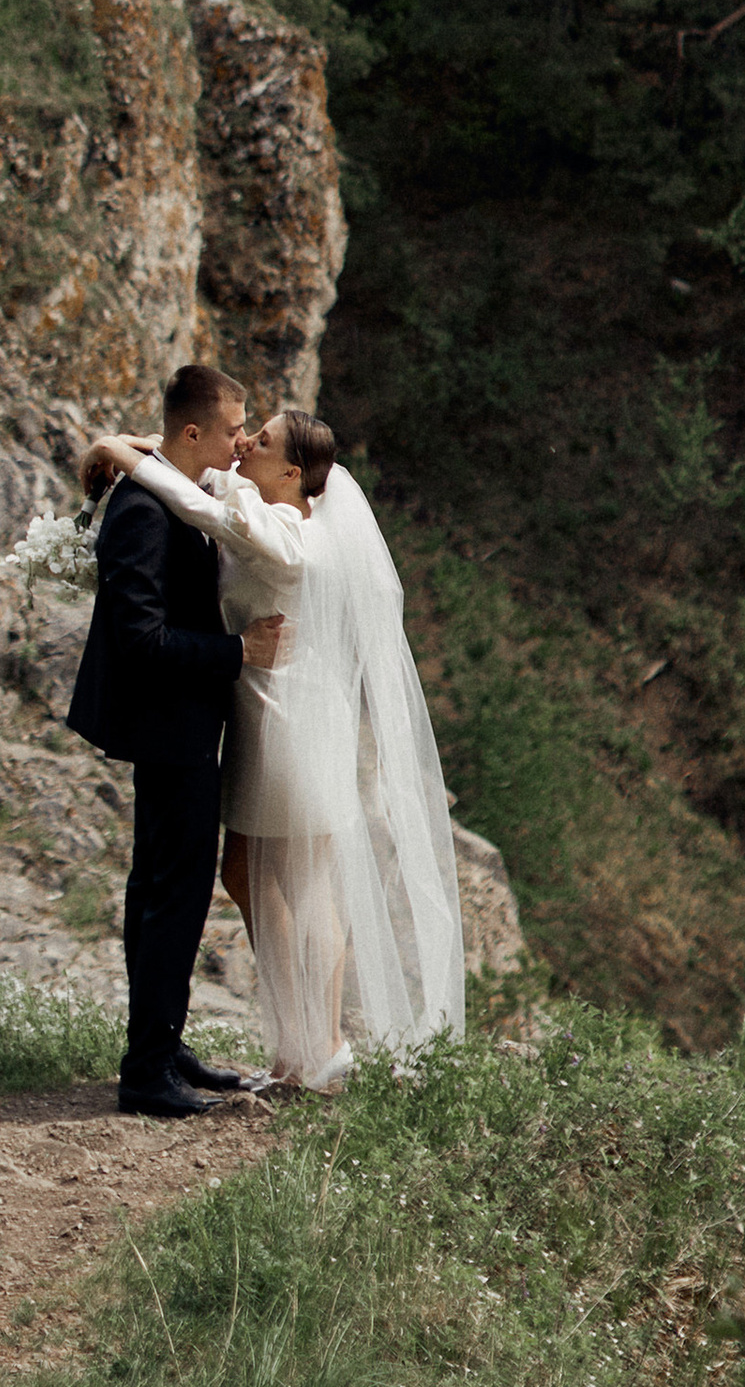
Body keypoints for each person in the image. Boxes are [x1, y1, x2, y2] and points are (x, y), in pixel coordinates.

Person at [80, 403, 466, 1085]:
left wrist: (117, 446)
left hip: (284, 722)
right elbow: (200, 475)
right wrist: (152, 445)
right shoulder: (279, 507)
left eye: (260, 441)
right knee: (291, 878)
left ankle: (311, 1044)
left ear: (290, 471)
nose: (245, 445)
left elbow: (186, 497)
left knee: (291, 882)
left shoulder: (284, 533)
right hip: (294, 711)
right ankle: (312, 1043)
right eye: (246, 433)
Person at [67, 358, 284, 1120]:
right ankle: (147, 1070)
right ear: (192, 432)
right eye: (230, 430)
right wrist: (238, 653)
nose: (241, 442)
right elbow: (140, 641)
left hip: (184, 728)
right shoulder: (142, 512)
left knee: (167, 891)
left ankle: (163, 1043)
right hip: (168, 729)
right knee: (173, 895)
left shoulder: (176, 495)